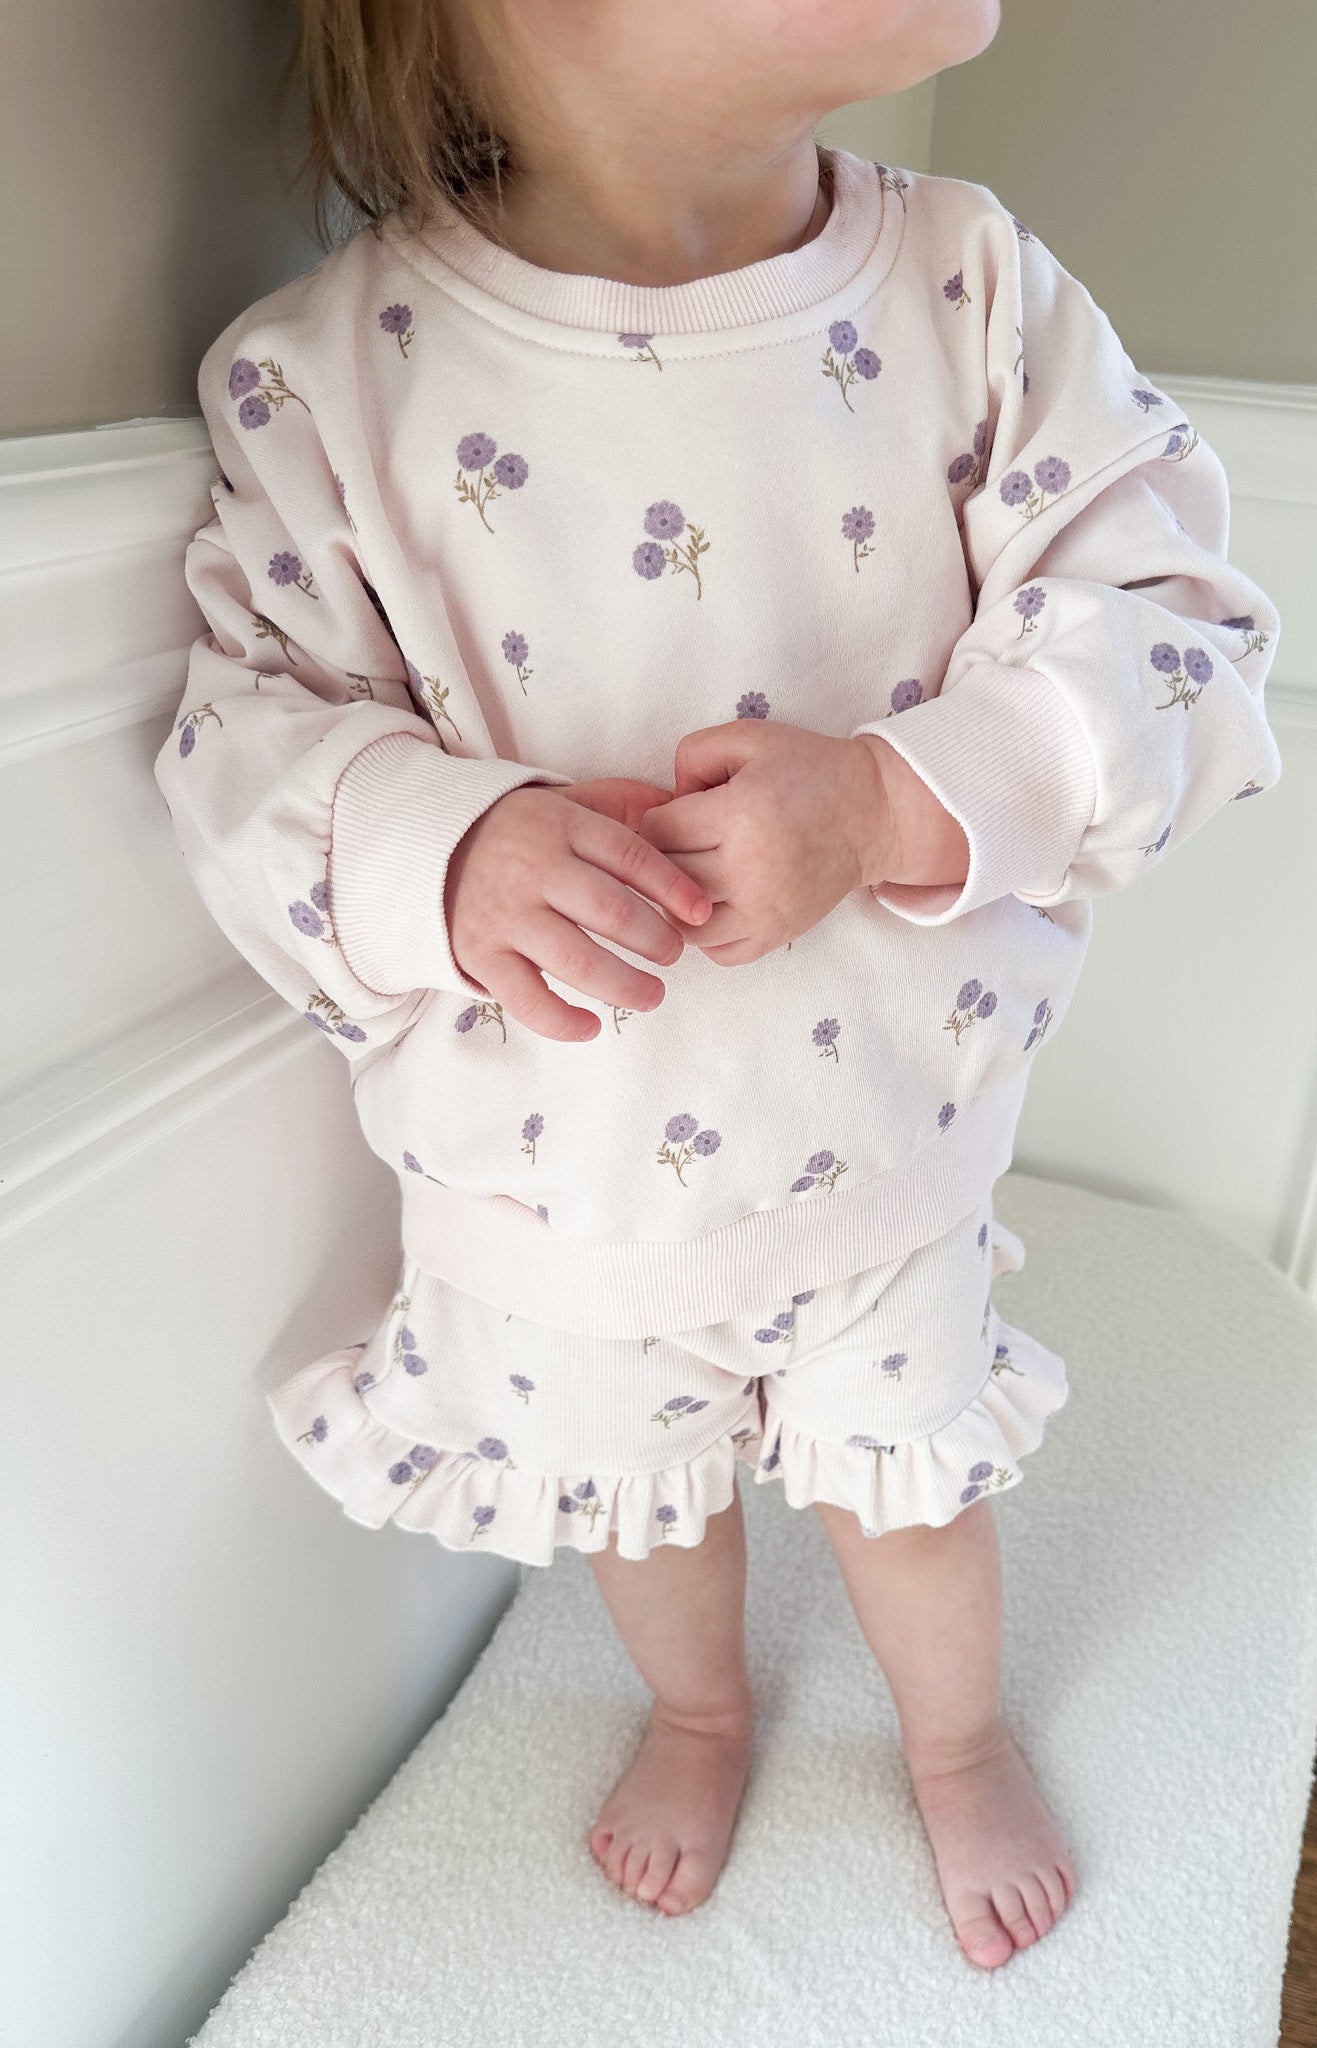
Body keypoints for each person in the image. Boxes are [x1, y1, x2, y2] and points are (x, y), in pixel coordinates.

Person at [154, 0, 1283, 1969]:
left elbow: (1174, 634)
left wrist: (897, 801)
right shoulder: (327, 384)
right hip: (554, 1191)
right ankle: (696, 1709)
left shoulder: (971, 296)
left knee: (911, 1501)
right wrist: (445, 850)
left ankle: (954, 1736)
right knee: (643, 1509)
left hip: (884, 1154)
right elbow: (243, 753)